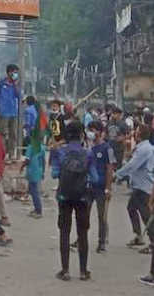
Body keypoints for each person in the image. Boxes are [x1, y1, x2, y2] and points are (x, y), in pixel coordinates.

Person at [51, 122, 92, 281]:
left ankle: (65, 270)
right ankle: (83, 271)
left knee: (64, 232)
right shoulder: (88, 154)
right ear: (82, 135)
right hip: (82, 196)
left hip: (64, 196)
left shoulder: (60, 152)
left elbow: (54, 174)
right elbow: (94, 176)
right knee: (83, 233)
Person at [116, 125, 154, 253]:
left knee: (146, 214)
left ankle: (152, 242)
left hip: (144, 187)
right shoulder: (142, 147)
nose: (133, 134)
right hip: (139, 185)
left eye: (136, 132)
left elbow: (133, 165)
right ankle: (138, 236)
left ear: (139, 135)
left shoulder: (144, 149)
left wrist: (117, 175)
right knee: (131, 207)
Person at [86, 121, 114, 252]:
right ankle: (81, 238)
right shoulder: (89, 147)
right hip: (88, 186)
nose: (91, 133)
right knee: (84, 214)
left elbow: (110, 168)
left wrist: (108, 188)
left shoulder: (108, 149)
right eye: (89, 130)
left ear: (100, 132)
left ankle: (102, 241)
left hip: (101, 187)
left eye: (93, 130)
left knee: (102, 216)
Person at [20, 113, 46, 220]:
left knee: (34, 191)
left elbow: (27, 159)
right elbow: (43, 161)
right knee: (34, 190)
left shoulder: (31, 147)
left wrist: (21, 167)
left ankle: (38, 209)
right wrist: (43, 172)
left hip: (32, 171)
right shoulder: (43, 147)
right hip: (39, 171)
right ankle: (36, 208)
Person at [0, 64, 21, 159]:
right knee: (2, 133)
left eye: (16, 72)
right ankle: (2, 152)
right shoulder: (2, 83)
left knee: (13, 134)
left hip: (13, 112)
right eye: (14, 72)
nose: (15, 74)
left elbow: (19, 96)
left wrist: (15, 85)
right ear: (8, 72)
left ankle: (11, 153)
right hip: (4, 112)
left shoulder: (17, 84)